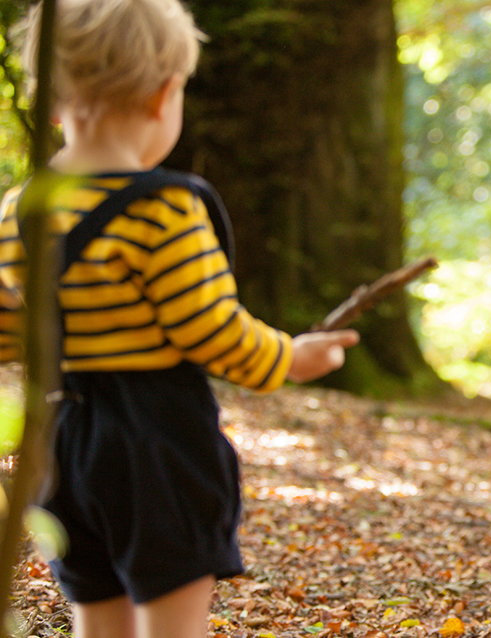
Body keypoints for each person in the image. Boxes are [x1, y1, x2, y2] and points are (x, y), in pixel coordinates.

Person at [0, 1, 360, 637]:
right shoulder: (164, 209)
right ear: (165, 94)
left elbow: (7, 335)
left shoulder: (20, 210)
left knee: (99, 621)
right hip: (157, 443)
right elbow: (212, 331)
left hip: (60, 442)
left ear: (51, 105)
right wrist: (294, 357)